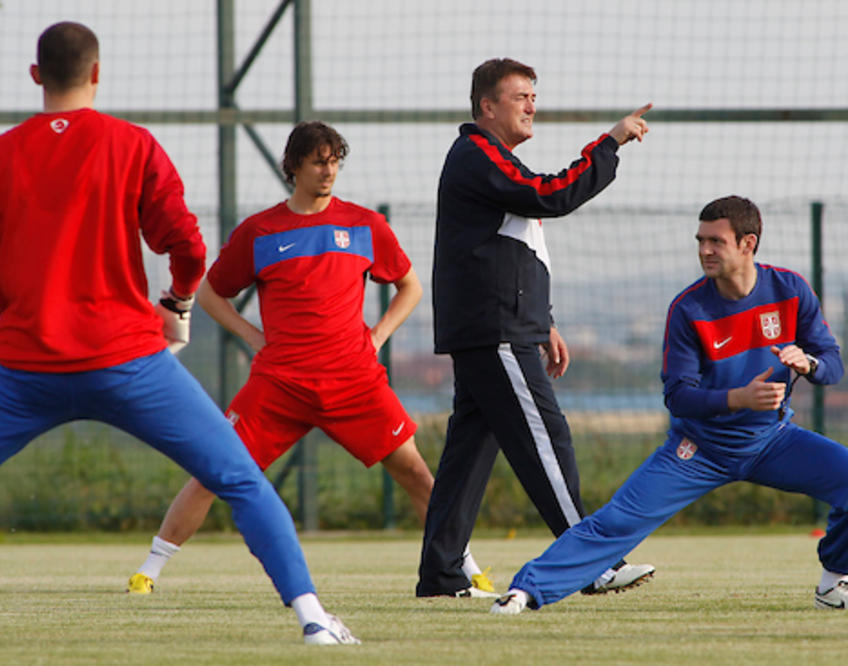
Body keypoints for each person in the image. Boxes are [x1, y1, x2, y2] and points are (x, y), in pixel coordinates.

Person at [0, 22, 359, 646]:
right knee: (239, 479)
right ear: (96, 74)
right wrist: (175, 301)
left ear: (36, 76)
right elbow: (188, 248)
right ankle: (312, 619)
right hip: (128, 363)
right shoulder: (131, 145)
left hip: (20, 375)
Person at [128, 120, 494, 598]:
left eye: (335, 160)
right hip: (280, 384)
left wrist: (379, 334)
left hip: (354, 381)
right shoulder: (259, 231)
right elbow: (213, 293)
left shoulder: (365, 225)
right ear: (294, 166)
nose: (329, 170)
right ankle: (148, 572)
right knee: (214, 468)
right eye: (319, 160)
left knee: (418, 474)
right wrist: (252, 337)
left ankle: (467, 569)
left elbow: (410, 286)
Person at [491, 195, 848, 615]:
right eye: (700, 240)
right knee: (619, 520)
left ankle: (832, 582)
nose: (704, 250)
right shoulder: (688, 308)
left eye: (716, 241)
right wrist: (739, 399)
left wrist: (807, 362)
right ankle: (526, 591)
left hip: (772, 440)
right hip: (699, 450)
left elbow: (833, 365)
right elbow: (677, 397)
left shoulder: (790, 290)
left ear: (748, 243)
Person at [417, 57, 655, 598]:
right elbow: (550, 193)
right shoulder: (477, 153)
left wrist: (543, 321)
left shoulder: (492, 162)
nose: (531, 106)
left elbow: (516, 245)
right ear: (487, 106)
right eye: (520, 96)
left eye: (533, 97)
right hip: (496, 330)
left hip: (501, 326)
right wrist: (609, 144)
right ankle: (588, 560)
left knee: (468, 455)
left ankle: (441, 575)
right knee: (547, 438)